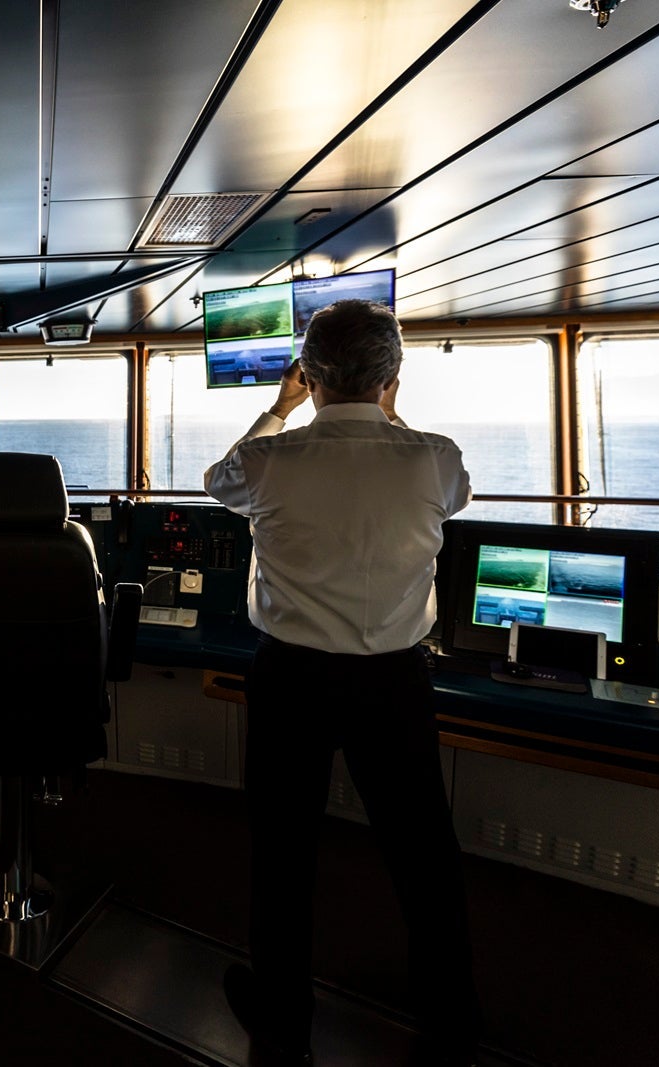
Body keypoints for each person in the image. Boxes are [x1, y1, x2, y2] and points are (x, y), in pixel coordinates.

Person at [203, 299, 480, 1067]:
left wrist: (277, 409)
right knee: (423, 848)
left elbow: (215, 480)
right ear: (391, 378)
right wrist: (389, 412)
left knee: (283, 848)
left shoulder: (269, 460)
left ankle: (284, 1013)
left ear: (309, 376)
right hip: (394, 680)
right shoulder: (434, 457)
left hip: (291, 677)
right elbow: (451, 495)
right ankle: (451, 1009)